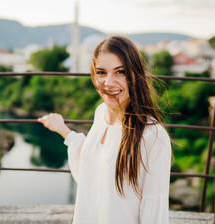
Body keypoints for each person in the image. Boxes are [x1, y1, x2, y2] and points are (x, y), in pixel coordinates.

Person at [38, 36, 171, 224]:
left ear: (136, 75)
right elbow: (92, 167)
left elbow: (154, 214)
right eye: (101, 72)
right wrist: (64, 131)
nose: (108, 82)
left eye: (120, 72)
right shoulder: (100, 113)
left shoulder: (152, 137)